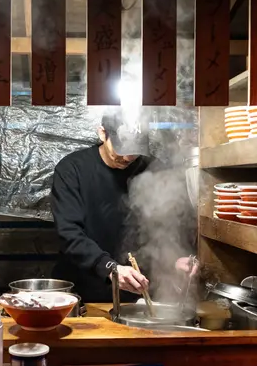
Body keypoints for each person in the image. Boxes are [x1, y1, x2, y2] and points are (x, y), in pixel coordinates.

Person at [50, 110, 197, 303]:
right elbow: (69, 233)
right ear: (102, 133)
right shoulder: (72, 169)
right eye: (121, 149)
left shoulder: (153, 168)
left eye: (135, 151)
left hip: (139, 291)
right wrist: (109, 268)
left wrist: (175, 260)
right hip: (85, 290)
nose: (128, 158)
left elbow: (167, 226)